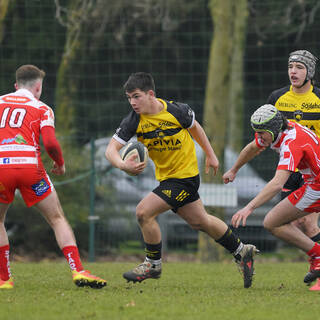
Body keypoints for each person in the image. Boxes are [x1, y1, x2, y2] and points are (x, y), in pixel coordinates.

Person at [105, 72, 259, 288]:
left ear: (150, 94)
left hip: (185, 178)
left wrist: (211, 155)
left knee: (143, 212)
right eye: (129, 97)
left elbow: (196, 128)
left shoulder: (177, 111)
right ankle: (242, 251)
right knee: (200, 221)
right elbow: (110, 150)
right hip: (167, 179)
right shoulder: (133, 120)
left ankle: (153, 264)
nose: (132, 102)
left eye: (136, 96)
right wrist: (123, 165)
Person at [0, 65, 106, 289]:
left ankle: (4, 279)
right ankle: (78, 270)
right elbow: (49, 143)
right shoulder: (42, 108)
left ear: (16, 86)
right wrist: (59, 163)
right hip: (30, 169)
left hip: (1, 168)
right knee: (57, 219)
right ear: (38, 87)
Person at [223, 104, 320, 287]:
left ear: (274, 129)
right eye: (257, 132)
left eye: (261, 133)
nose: (259, 137)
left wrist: (249, 208)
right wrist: (234, 169)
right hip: (313, 182)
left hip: (317, 185)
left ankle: (317, 255)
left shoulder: (291, 143)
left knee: (272, 222)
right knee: (288, 222)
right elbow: (253, 147)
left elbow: (277, 184)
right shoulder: (278, 131)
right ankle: (317, 256)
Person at [266, 50, 320, 284]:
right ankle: (315, 260)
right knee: (286, 223)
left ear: (309, 71)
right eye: (290, 67)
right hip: (288, 170)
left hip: (314, 171)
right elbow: (264, 133)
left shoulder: (319, 98)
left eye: (299, 67)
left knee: (309, 222)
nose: (293, 72)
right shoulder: (277, 98)